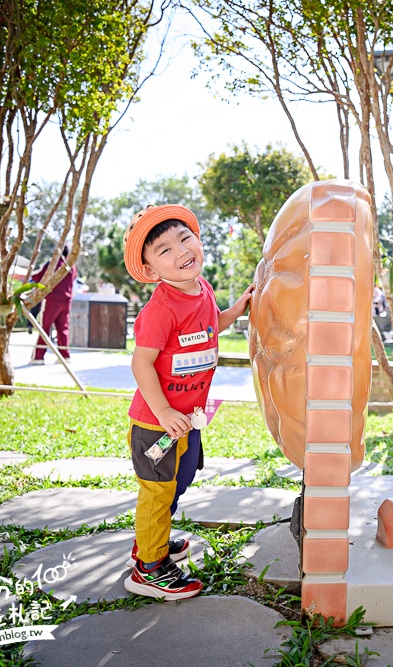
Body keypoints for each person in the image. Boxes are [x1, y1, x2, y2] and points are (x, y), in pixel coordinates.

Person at [121, 204, 254, 600]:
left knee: (179, 481)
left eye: (185, 239)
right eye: (164, 250)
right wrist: (163, 411)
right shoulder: (161, 309)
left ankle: (152, 541)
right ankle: (148, 569)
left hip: (187, 420)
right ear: (151, 269)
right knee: (157, 491)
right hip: (156, 424)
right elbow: (141, 362)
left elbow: (211, 326)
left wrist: (237, 310)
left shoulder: (202, 288)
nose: (181, 251)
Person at [30, 246, 75, 364]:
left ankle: (38, 357)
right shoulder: (71, 266)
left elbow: (38, 277)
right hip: (66, 301)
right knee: (63, 329)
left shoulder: (52, 264)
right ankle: (65, 356)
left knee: (44, 328)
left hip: (52, 300)